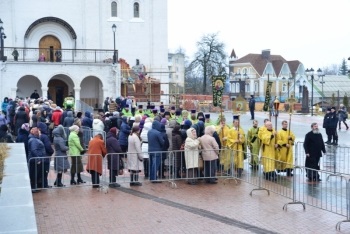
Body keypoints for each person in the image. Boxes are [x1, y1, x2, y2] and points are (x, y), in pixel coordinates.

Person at [28, 127, 45, 192]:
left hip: (34, 159)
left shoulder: (33, 139)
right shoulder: (33, 140)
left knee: (34, 173)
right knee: (34, 174)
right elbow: (33, 150)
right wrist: (38, 159)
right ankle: (33, 187)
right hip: (34, 160)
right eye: (38, 132)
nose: (40, 133)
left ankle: (34, 186)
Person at [37, 122, 54, 188]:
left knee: (41, 171)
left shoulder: (39, 136)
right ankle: (44, 184)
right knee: (45, 171)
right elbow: (48, 147)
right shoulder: (45, 137)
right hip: (46, 156)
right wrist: (51, 152)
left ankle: (40, 183)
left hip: (40, 156)